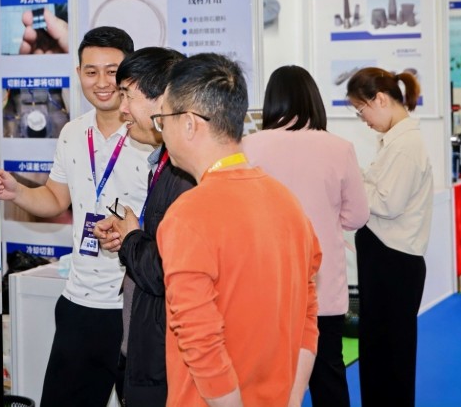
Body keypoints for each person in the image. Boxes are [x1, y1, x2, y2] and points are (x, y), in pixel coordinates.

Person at [0, 26, 152, 407]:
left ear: (130, 73)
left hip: (133, 307)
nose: (102, 82)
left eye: (112, 71)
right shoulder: (72, 132)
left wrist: (133, 234)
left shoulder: (151, 137)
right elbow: (55, 198)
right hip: (79, 303)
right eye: (91, 71)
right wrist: (17, 193)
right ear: (78, 73)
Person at [156, 53, 322, 407]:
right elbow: (308, 317)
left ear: (189, 123)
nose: (162, 132)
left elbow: (201, 342)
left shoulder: (188, 216)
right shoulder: (288, 203)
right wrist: (293, 397)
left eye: (163, 119)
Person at [242, 65, 369, 407]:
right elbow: (357, 216)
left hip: (265, 285)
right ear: (314, 99)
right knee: (328, 373)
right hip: (322, 284)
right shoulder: (339, 148)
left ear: (271, 100)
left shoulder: (249, 146)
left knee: (268, 382)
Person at [91, 47, 196, 406]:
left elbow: (166, 270)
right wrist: (130, 233)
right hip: (146, 345)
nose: (121, 109)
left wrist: (132, 237)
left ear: (163, 99)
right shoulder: (164, 163)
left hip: (164, 357)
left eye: (127, 96)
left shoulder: (185, 174)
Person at [345, 67, 433, 407]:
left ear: (380, 100)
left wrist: (352, 181)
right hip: (386, 260)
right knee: (379, 351)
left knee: (390, 357)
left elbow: (387, 204)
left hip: (393, 262)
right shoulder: (396, 142)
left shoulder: (405, 146)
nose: (363, 120)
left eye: (361, 109)